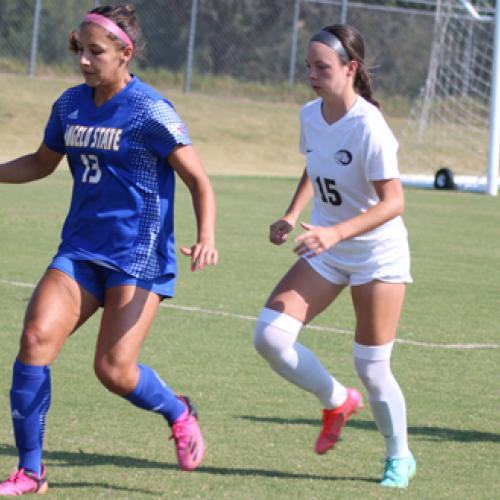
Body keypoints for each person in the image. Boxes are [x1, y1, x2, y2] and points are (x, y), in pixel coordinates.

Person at [0, 4, 217, 496]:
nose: (84, 61)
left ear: (126, 53)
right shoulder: (70, 105)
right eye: (80, 50)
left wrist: (206, 237)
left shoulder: (150, 110)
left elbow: (198, 180)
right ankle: (31, 472)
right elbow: (41, 162)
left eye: (96, 52)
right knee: (35, 341)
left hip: (138, 258)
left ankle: (178, 410)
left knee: (113, 371)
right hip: (79, 250)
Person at [253, 24, 416, 488]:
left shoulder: (371, 128)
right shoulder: (310, 114)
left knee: (371, 364)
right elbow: (315, 164)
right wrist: (291, 213)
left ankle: (398, 456)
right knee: (270, 337)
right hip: (326, 247)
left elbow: (394, 202)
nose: (312, 74)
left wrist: (336, 232)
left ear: (350, 69)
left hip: (376, 255)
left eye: (321, 67)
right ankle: (336, 399)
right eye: (308, 66)